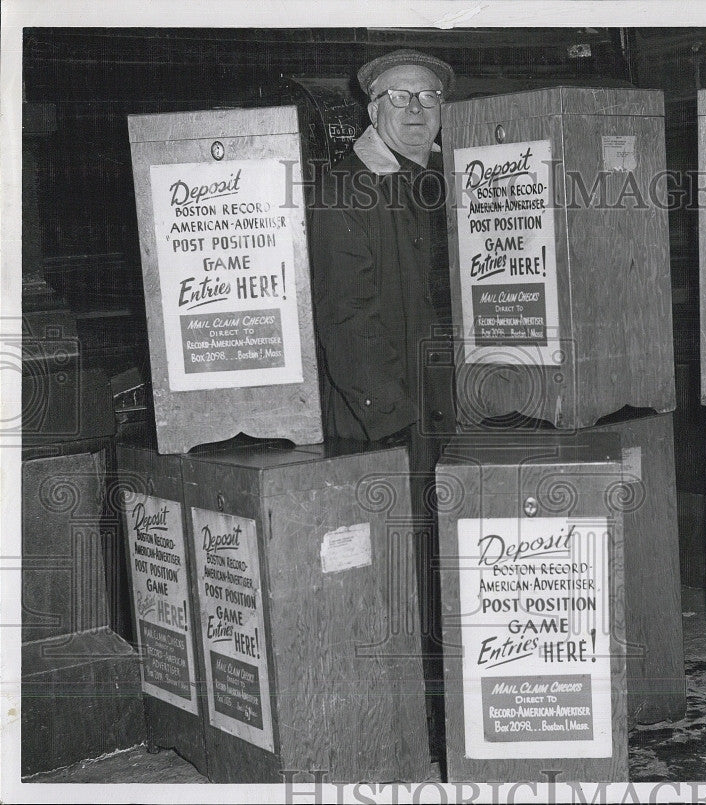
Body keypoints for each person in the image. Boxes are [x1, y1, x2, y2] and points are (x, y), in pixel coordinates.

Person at [307, 48, 456, 762]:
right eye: (400, 98)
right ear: (372, 110)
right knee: (390, 581)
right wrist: (393, 423)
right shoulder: (348, 188)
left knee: (434, 572)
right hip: (384, 426)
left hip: (438, 418)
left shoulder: (434, 186)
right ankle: (391, 739)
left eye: (428, 97)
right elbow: (347, 321)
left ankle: (436, 726)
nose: (417, 109)